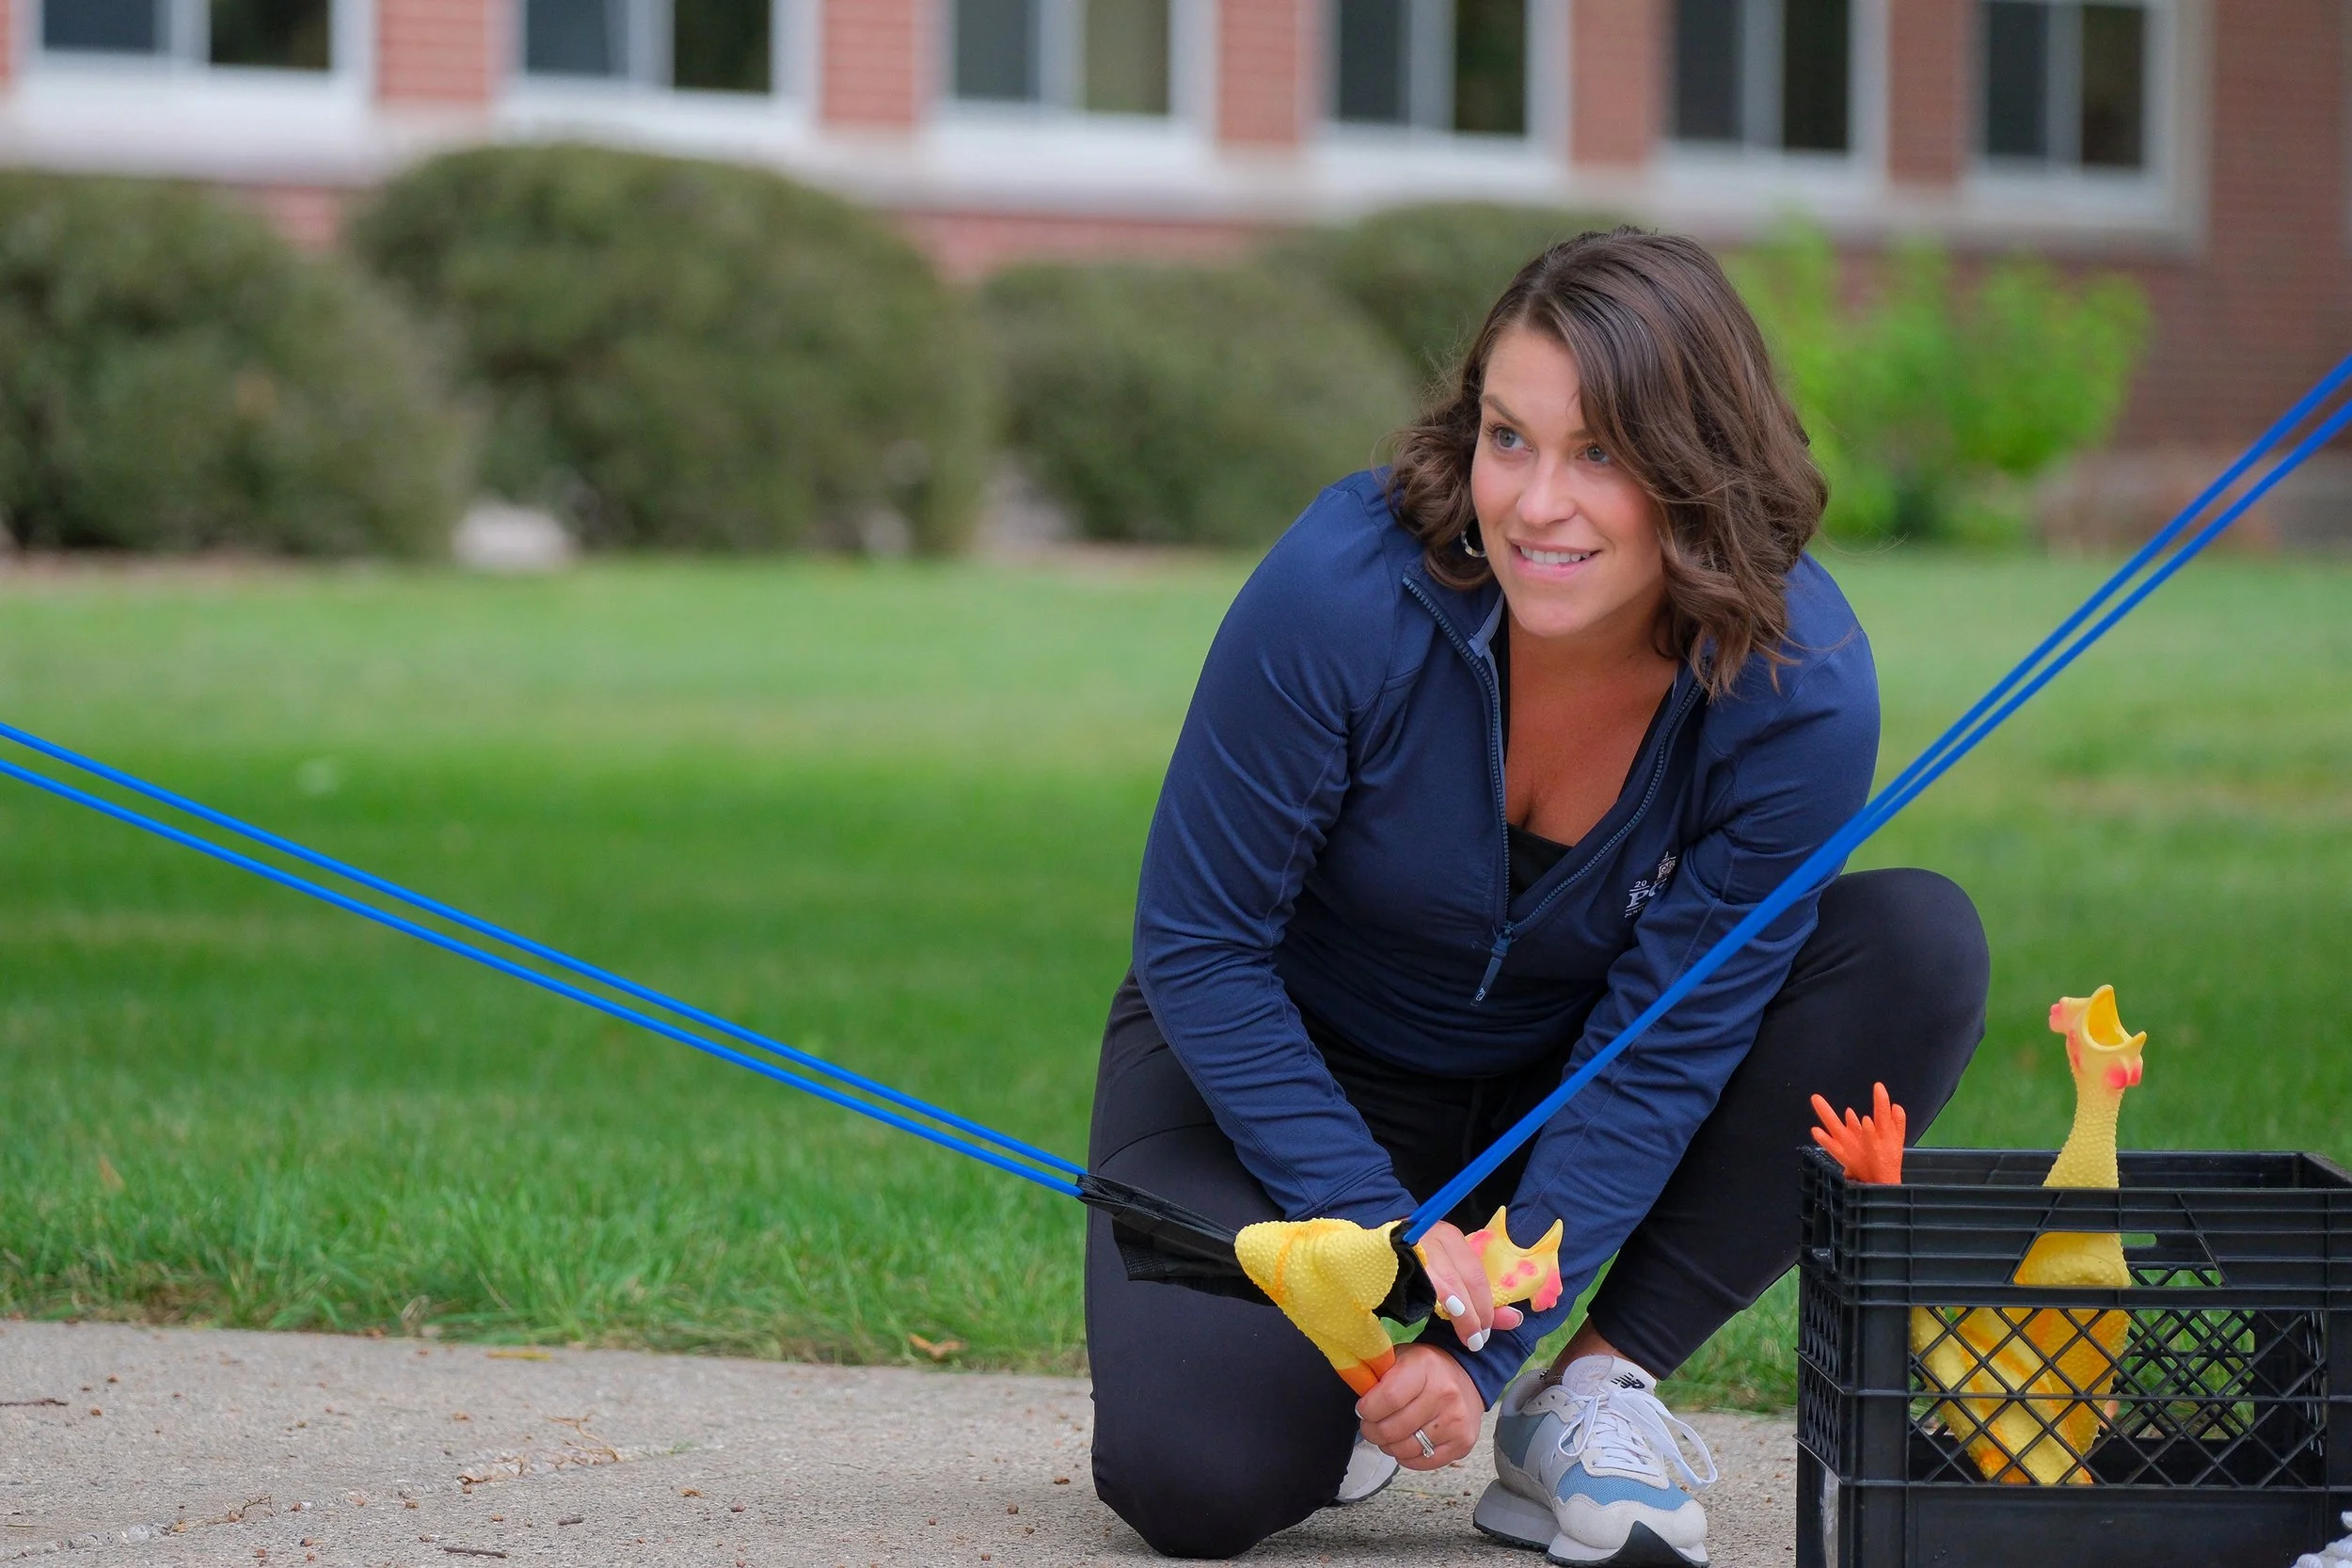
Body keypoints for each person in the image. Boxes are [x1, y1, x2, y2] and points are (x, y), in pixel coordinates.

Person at [1084, 229, 1988, 1566]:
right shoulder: (1343, 590)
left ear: (1699, 470)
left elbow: (1662, 1045)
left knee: (1915, 943)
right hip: (1266, 1083)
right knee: (1195, 1481)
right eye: (1510, 438)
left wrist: (1484, 1343)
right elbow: (1202, 949)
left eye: (1602, 454)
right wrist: (1383, 1228)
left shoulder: (1801, 683)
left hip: (1553, 1094)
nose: (1536, 503)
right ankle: (1338, 1401)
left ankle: (1590, 1394)